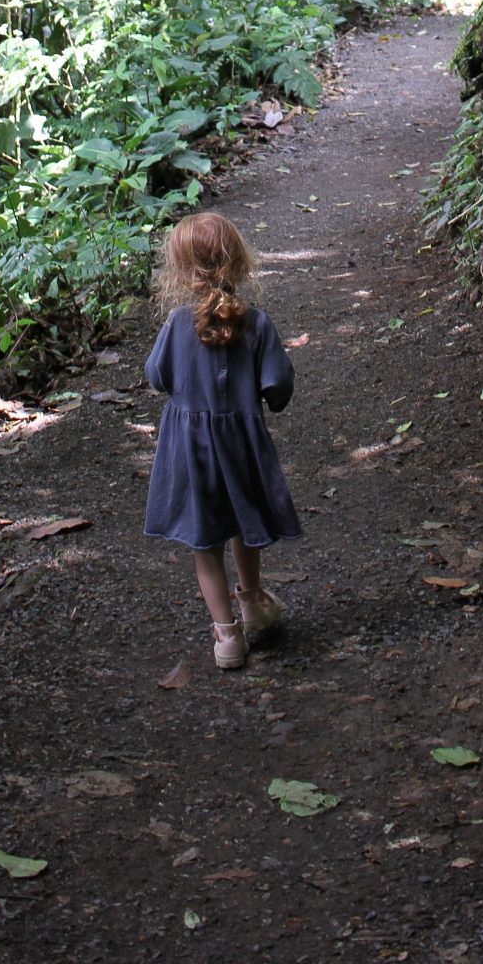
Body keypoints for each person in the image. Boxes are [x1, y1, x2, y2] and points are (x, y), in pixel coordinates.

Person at [142, 210, 302, 669]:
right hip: (242, 449)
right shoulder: (257, 324)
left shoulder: (175, 324)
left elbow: (157, 378)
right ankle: (251, 603)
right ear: (239, 263)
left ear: (178, 270)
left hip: (190, 451)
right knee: (244, 526)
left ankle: (227, 636)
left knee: (204, 543)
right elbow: (278, 388)